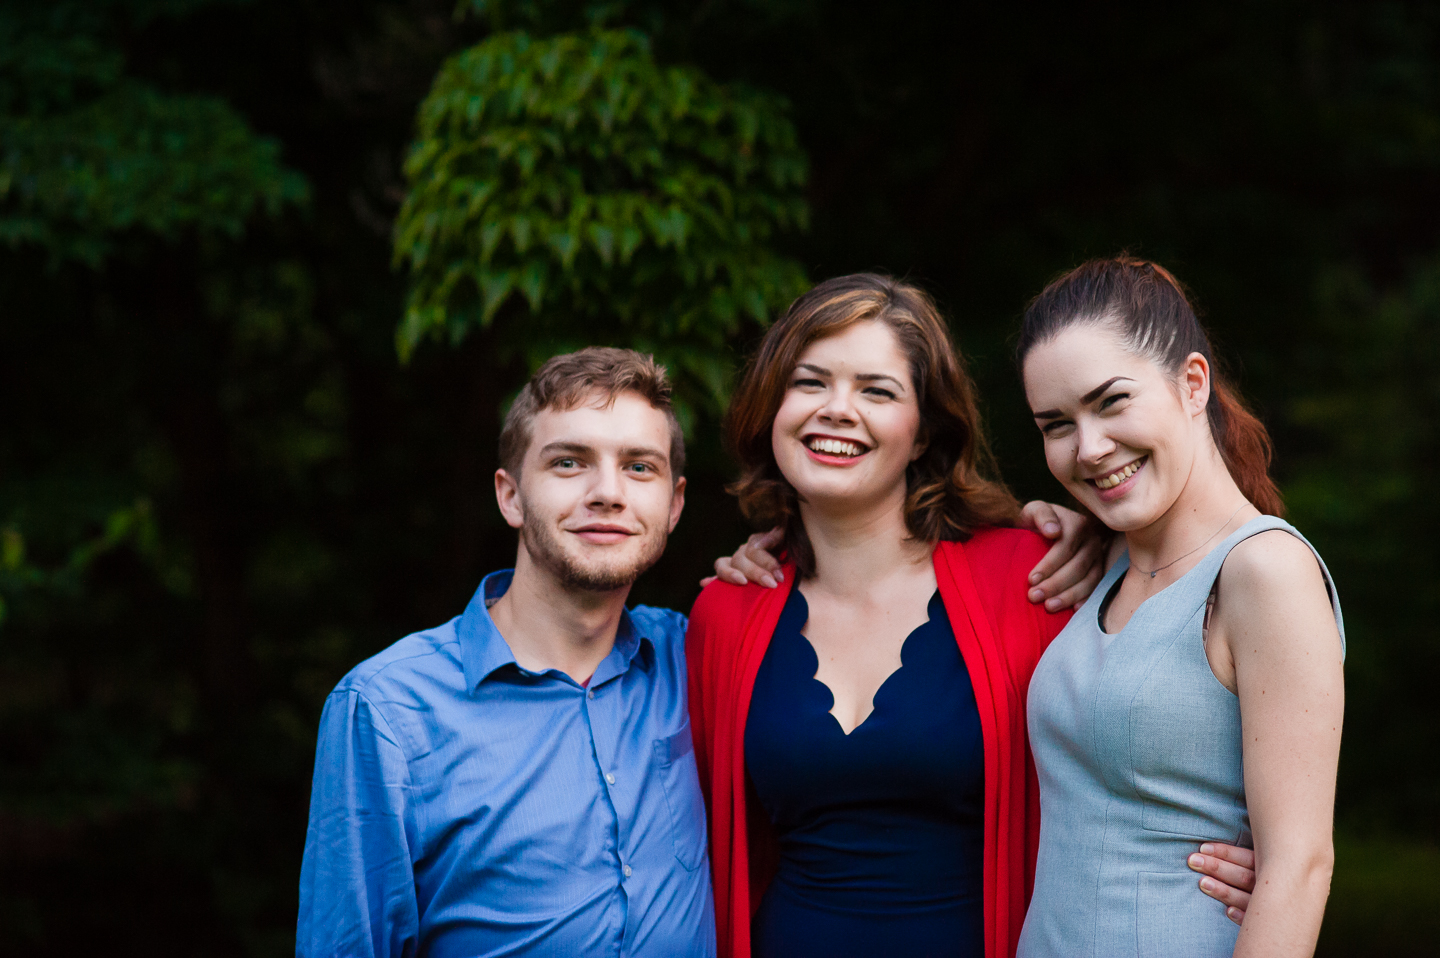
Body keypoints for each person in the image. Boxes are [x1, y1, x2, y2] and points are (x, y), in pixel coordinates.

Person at [295, 345, 1100, 957]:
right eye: (569, 462)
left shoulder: (702, 651)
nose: (607, 492)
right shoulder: (390, 710)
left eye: (638, 467)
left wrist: (1078, 526)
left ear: (675, 506)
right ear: (510, 493)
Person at [686, 274, 1256, 958]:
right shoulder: (726, 612)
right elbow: (698, 843)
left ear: (925, 431)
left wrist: (1236, 857)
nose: (837, 409)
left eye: (877, 390)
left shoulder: (1038, 577)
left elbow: (1155, 729)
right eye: (810, 383)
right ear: (771, 407)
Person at [1015, 257, 1345, 958]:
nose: (1089, 448)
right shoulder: (1103, 563)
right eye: (1056, 424)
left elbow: (1300, 867)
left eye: (1111, 402)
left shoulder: (1264, 570)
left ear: (1192, 384)